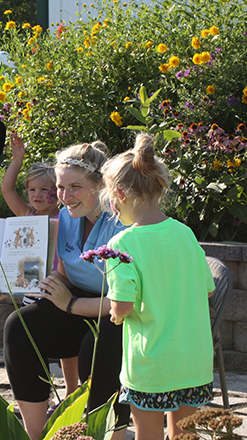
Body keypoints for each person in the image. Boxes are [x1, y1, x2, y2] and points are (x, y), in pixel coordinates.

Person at [0, 140, 130, 439]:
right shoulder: (65, 217)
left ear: (101, 184)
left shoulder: (122, 223)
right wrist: (10, 286)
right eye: (61, 188)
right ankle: (37, 433)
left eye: (75, 187)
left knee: (97, 344)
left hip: (125, 316)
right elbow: (63, 277)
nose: (64, 196)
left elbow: (126, 301)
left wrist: (71, 305)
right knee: (20, 325)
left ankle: (103, 431)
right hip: (78, 303)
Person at [103, 134, 215, 440]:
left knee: (148, 435)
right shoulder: (185, 233)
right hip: (194, 361)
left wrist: (115, 314)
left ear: (119, 195)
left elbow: (122, 307)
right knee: (184, 435)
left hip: (151, 364)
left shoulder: (121, 244)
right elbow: (207, 289)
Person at [0, 132, 79, 402]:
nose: (37, 195)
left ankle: (71, 390)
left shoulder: (67, 216)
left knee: (68, 349)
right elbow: (6, 190)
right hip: (34, 288)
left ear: (57, 193)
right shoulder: (27, 216)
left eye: (45, 190)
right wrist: (17, 160)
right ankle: (41, 393)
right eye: (32, 190)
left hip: (61, 286)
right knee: (34, 342)